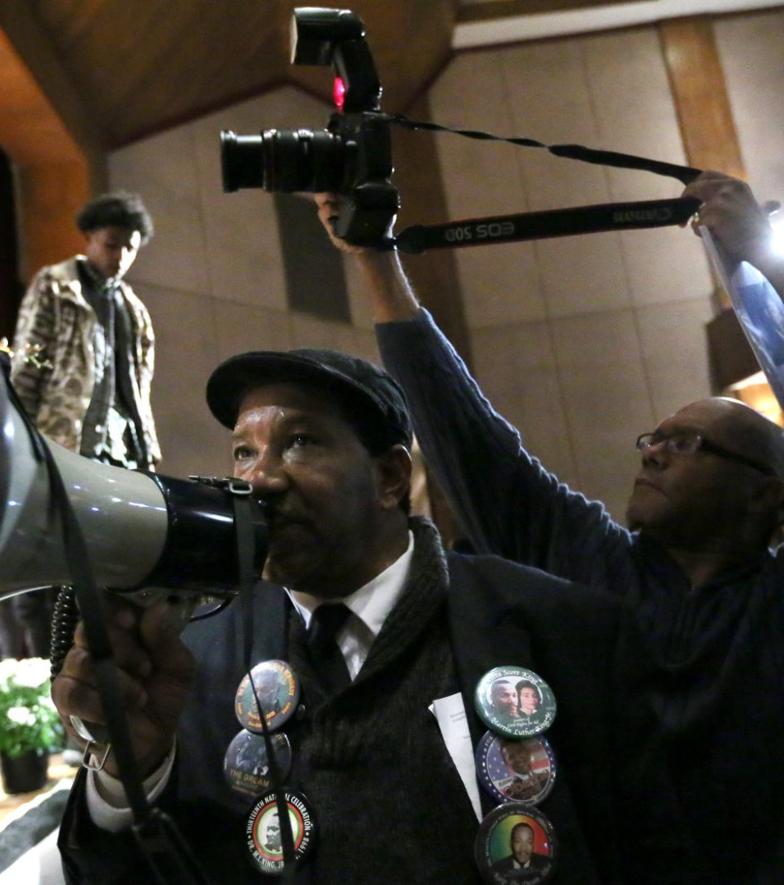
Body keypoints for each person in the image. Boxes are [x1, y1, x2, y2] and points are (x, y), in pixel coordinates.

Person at [322, 171, 784, 881]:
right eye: (653, 437)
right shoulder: (596, 565)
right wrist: (376, 260)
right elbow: (475, 444)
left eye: (688, 442)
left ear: (765, 494)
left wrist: (765, 257)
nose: (655, 449)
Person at [52, 347, 631, 882]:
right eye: (244, 452)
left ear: (389, 478)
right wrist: (131, 772)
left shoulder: (556, 627)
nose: (260, 479)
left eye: (300, 441)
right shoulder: (193, 656)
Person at [8, 192, 160, 659]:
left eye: (130, 247)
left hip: (120, 453)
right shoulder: (57, 285)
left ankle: (97, 673)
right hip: (61, 444)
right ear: (91, 237)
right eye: (113, 244)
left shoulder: (133, 307)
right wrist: (23, 440)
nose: (121, 256)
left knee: (107, 571)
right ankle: (51, 675)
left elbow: (140, 385)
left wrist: (146, 448)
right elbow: (28, 366)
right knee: (51, 569)